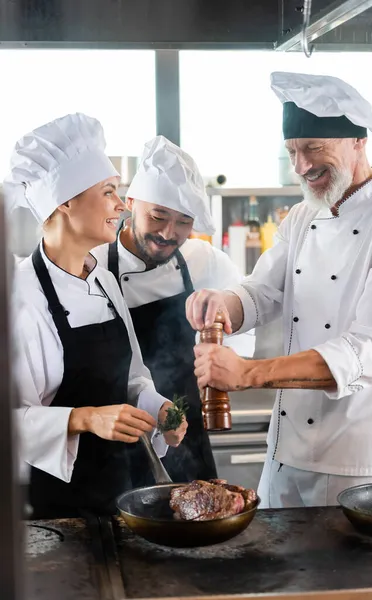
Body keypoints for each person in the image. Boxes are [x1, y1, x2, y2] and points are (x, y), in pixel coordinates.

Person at [186, 71, 372, 508]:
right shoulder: (304, 216)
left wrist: (248, 373)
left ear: (358, 141)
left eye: (314, 148)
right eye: (293, 152)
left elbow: (368, 349)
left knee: (342, 577)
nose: (302, 166)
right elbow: (262, 292)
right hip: (284, 453)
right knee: (273, 573)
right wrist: (224, 302)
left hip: (356, 464)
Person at [5, 113, 187, 519]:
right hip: (60, 507)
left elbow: (133, 377)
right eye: (109, 192)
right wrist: (85, 419)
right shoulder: (20, 298)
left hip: (128, 492)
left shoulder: (102, 278)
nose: (121, 206)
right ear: (65, 201)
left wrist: (158, 407)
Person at [92, 135, 241, 484]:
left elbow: (241, 324)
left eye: (184, 222)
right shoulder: (93, 265)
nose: (168, 233)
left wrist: (221, 368)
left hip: (185, 436)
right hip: (119, 437)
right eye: (158, 216)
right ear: (130, 203)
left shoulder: (203, 262)